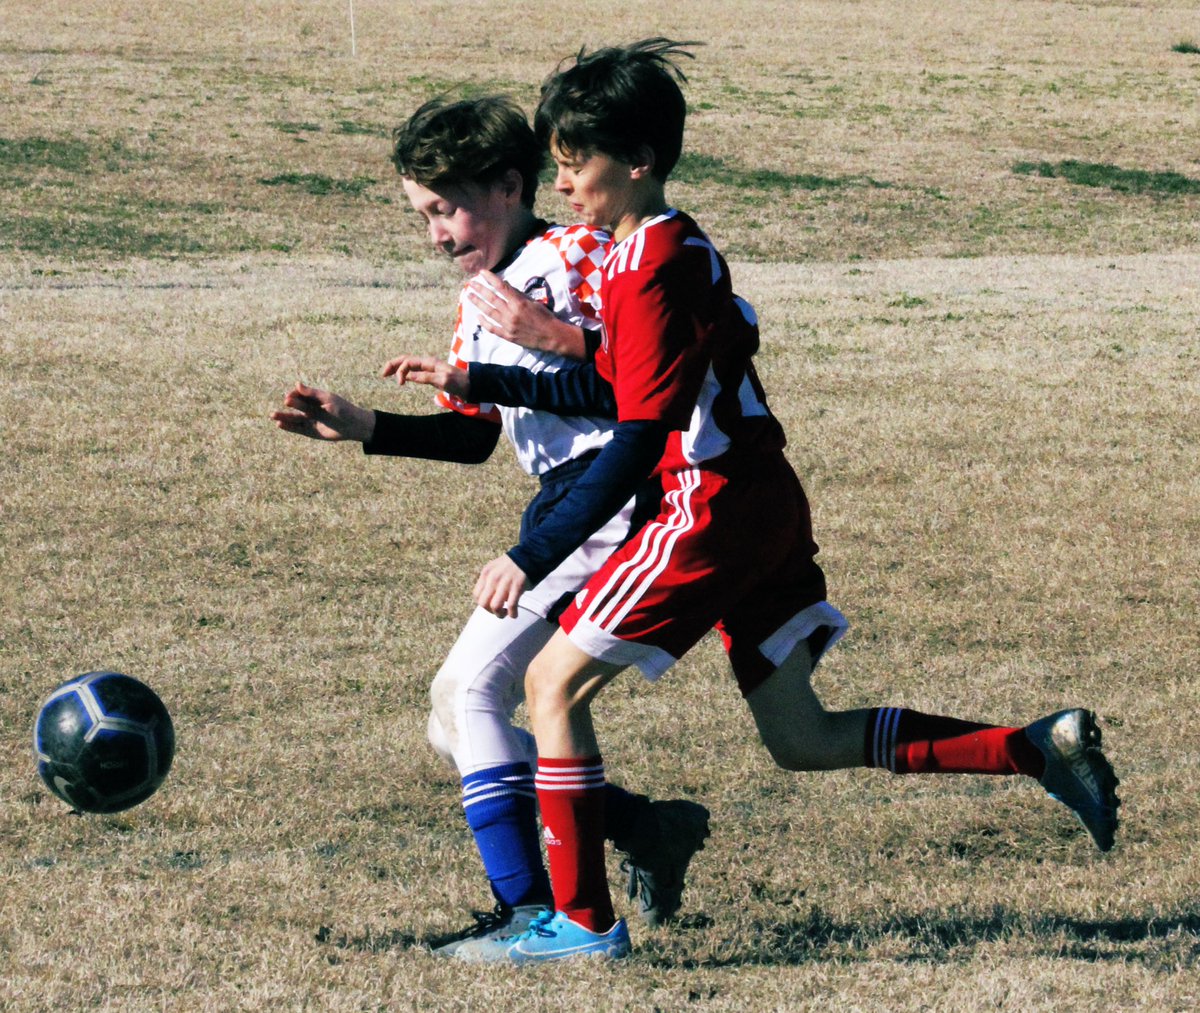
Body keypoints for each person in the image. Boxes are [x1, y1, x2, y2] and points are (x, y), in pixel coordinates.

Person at [390, 40, 1121, 964]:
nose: (565, 182)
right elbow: (657, 367)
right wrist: (523, 364)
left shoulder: (640, 265)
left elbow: (640, 433)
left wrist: (534, 553)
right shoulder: (676, 244)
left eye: (577, 163)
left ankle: (575, 925)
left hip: (712, 503)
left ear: (639, 160)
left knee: (550, 685)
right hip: (769, 494)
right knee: (802, 735)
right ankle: (1031, 748)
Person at [270, 95, 710, 955]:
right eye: (423, 215)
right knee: (456, 717)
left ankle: (532, 912)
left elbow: (634, 396)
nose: (436, 232)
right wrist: (368, 427)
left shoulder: (584, 256)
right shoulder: (481, 296)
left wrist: (542, 344)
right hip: (563, 501)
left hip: (609, 498)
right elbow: (476, 435)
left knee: (469, 695)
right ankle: (644, 828)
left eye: (446, 208)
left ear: (510, 186)